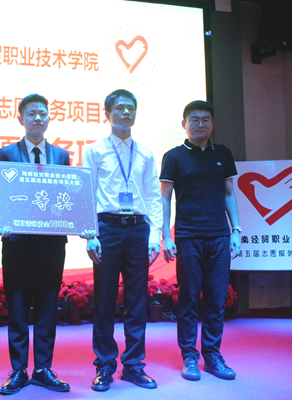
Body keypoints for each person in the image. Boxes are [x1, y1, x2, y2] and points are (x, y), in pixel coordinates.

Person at [82, 89, 162, 391]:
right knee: (104, 300)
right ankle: (104, 365)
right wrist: (90, 234)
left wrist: (155, 236)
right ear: (107, 113)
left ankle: (134, 365)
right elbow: (86, 194)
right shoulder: (94, 150)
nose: (126, 112)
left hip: (138, 228)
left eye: (131, 108)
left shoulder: (146, 153)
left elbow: (153, 196)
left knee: (137, 300)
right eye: (120, 108)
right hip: (107, 228)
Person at [160, 100, 241, 382]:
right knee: (189, 298)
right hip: (188, 236)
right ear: (184, 124)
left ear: (212, 124)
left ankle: (212, 355)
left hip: (219, 235)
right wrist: (165, 235)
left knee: (217, 298)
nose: (200, 124)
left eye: (205, 120)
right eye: (194, 120)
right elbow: (164, 197)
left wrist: (236, 229)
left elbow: (229, 193)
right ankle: (189, 356)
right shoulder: (173, 156)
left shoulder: (223, 153)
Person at [0, 94, 71, 395]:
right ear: (20, 118)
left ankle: (42, 369)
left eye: (42, 113)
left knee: (47, 305)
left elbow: (67, 197)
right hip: (17, 243)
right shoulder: (8, 153)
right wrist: (0, 221)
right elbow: (0, 193)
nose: (38, 118)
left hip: (52, 244)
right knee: (17, 305)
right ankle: (18, 370)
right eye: (31, 113)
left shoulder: (61, 156)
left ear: (49, 117)